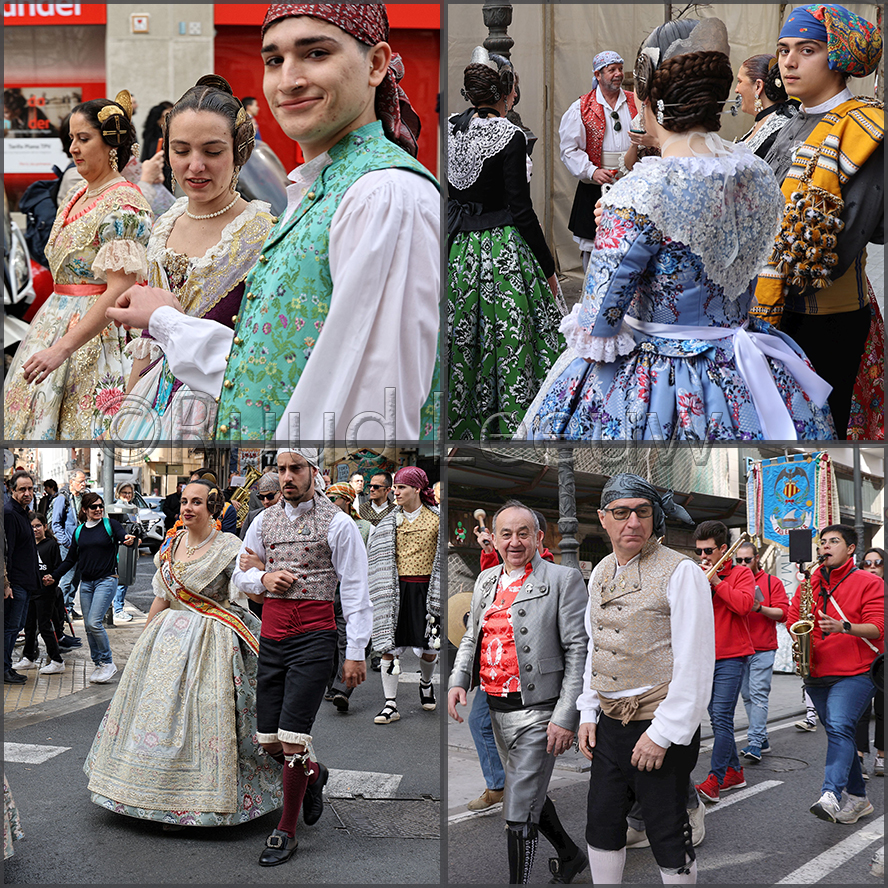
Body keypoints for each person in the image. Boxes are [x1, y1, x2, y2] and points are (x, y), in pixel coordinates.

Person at [107, 4, 440, 442]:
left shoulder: (383, 194)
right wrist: (166, 326)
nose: (289, 79)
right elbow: (273, 368)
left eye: (316, 53)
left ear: (375, 64)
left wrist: (169, 322)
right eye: (274, 60)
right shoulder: (319, 189)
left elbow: (376, 405)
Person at [520, 17, 835, 442]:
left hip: (663, 377)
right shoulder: (754, 172)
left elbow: (599, 321)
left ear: (649, 97)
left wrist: (614, 224)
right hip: (746, 360)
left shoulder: (643, 190)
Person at [83, 478, 284, 827]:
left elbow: (253, 595)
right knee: (157, 718)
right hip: (167, 642)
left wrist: (260, 572)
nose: (187, 508)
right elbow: (162, 597)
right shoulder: (171, 544)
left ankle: (208, 799)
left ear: (213, 508)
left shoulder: (229, 546)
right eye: (185, 502)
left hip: (214, 639)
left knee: (212, 714)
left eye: (196, 502)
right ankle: (156, 797)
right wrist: (143, 642)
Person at [111, 76, 275, 442]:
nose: (195, 166)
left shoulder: (263, 234)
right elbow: (148, 336)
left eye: (212, 152)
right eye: (181, 151)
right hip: (153, 400)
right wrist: (128, 405)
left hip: (222, 404)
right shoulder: (165, 224)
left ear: (239, 152)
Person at [232, 449, 372, 866]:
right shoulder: (263, 520)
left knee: (293, 741)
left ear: (314, 472)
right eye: (281, 469)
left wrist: (355, 653)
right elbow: (238, 574)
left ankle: (286, 831)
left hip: (314, 639)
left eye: (296, 469)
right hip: (272, 638)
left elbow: (355, 590)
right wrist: (264, 576)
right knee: (269, 741)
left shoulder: (339, 523)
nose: (287, 477)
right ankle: (315, 774)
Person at [753, 4, 884, 440]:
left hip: (825, 318)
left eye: (807, 50)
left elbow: (837, 249)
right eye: (783, 50)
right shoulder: (788, 123)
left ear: (839, 57)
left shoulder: (864, 130)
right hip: (771, 307)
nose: (788, 62)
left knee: (819, 430)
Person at [577, 475, 712, 885]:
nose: (632, 522)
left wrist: (663, 733)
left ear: (655, 518)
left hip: (659, 723)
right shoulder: (601, 570)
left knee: (666, 830)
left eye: (642, 511)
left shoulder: (682, 571)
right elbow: (596, 645)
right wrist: (588, 711)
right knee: (602, 823)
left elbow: (695, 662)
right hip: (609, 723)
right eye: (621, 512)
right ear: (603, 518)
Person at [448, 501, 588, 884]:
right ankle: (571, 856)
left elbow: (578, 650)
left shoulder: (562, 579)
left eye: (523, 533)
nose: (514, 542)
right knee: (525, 794)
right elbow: (471, 637)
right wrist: (458, 680)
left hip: (540, 712)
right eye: (506, 534)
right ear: (493, 539)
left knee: (517, 812)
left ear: (538, 537)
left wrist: (566, 717)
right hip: (497, 710)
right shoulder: (485, 580)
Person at [4, 90, 153, 439]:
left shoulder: (124, 203)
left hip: (98, 336)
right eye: (71, 138)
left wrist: (63, 348)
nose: (73, 148)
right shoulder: (77, 194)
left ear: (111, 144)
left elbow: (120, 289)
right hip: (55, 322)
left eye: (84, 139)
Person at [447, 46, 564, 439]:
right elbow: (521, 210)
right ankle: (511, 421)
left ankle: (464, 424)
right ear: (507, 92)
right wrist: (548, 268)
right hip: (501, 253)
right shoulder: (510, 136)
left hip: (458, 251)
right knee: (509, 335)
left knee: (465, 336)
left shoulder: (450, 127)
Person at [788, 524, 883, 823]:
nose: (825, 547)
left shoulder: (869, 582)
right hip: (816, 671)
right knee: (839, 733)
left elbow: (878, 628)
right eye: (822, 542)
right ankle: (859, 799)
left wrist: (844, 627)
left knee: (840, 725)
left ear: (851, 548)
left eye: (833, 541)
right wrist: (801, 640)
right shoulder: (809, 583)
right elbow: (792, 620)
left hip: (856, 672)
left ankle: (830, 794)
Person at [367, 467, 441, 726]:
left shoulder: (437, 519)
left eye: (401, 487)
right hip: (395, 589)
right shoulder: (387, 521)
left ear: (417, 489)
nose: (395, 492)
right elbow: (375, 556)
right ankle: (390, 704)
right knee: (389, 648)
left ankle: (426, 682)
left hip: (427, 590)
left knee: (429, 649)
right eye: (395, 487)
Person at [693, 521, 755, 804]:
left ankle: (715, 780)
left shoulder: (741, 573)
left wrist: (717, 581)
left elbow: (744, 606)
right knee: (717, 718)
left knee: (721, 717)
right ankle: (735, 773)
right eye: (699, 551)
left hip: (731, 655)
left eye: (708, 551)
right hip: (704, 656)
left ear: (723, 549)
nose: (703, 556)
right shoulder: (696, 573)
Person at [48, 491, 137, 684]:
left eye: (100, 506)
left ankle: (108, 662)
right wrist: (54, 576)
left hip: (107, 580)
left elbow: (124, 538)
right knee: (89, 627)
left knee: (94, 622)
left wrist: (129, 540)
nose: (98, 509)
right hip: (87, 584)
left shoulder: (110, 525)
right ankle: (98, 664)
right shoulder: (79, 531)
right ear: (85, 510)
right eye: (93, 507)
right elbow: (70, 559)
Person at [560, 50, 636, 271]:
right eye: (611, 70)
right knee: (593, 247)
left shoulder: (635, 102)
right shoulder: (581, 107)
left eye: (620, 68)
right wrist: (592, 171)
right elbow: (569, 149)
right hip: (596, 187)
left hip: (631, 185)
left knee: (630, 243)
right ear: (598, 74)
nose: (618, 74)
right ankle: (592, 288)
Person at [734, 541, 790, 762]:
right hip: (739, 648)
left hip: (762, 648)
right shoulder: (734, 580)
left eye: (747, 560)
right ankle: (762, 738)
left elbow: (783, 614)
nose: (743, 564)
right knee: (748, 696)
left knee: (757, 695)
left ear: (757, 558)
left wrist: (759, 607)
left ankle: (756, 742)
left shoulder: (772, 582)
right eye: (739, 560)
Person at [322, 481, 371, 713]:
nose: (329, 503)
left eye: (334, 498)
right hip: (325, 592)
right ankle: (331, 684)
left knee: (346, 639)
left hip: (349, 592)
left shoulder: (365, 528)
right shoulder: (324, 524)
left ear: (348, 501)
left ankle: (342, 689)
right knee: (328, 642)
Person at [11, 512, 66, 676]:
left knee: (44, 626)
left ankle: (57, 660)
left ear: (45, 527)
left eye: (38, 526)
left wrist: (52, 578)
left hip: (46, 593)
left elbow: (58, 567)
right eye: (32, 527)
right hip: (30, 592)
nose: (35, 529)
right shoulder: (26, 545)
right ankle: (28, 657)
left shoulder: (51, 545)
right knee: (29, 626)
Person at [4, 472, 39, 685]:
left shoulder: (24, 513)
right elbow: (6, 552)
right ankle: (4, 669)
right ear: (12, 490)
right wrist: (6, 584)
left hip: (26, 581)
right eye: (22, 489)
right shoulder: (9, 514)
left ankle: (6, 667)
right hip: (15, 582)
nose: (27, 493)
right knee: (10, 627)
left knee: (15, 628)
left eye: (30, 489)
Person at [855, 547, 885, 778]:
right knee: (860, 709)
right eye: (867, 563)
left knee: (884, 709)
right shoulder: (857, 589)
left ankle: (881, 755)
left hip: (884, 658)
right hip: (861, 654)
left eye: (877, 562)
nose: (872, 567)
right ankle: (859, 756)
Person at [734, 54, 798, 158]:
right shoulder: (765, 122)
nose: (737, 89)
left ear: (758, 86)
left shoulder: (781, 130)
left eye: (740, 81)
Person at [51, 469, 86, 618]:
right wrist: (66, 542)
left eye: (85, 481)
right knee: (66, 578)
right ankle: (61, 610)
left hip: (81, 545)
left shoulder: (83, 497)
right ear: (71, 482)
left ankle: (68, 608)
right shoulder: (62, 498)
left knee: (76, 578)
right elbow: (56, 524)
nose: (84, 484)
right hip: (68, 546)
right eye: (81, 481)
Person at [110, 482, 140, 623]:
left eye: (129, 493)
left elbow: (137, 526)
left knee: (125, 579)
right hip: (121, 548)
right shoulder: (118, 509)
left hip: (130, 547)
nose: (127, 495)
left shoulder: (132, 508)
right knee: (121, 579)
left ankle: (118, 608)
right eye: (124, 493)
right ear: (118, 493)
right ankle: (117, 609)